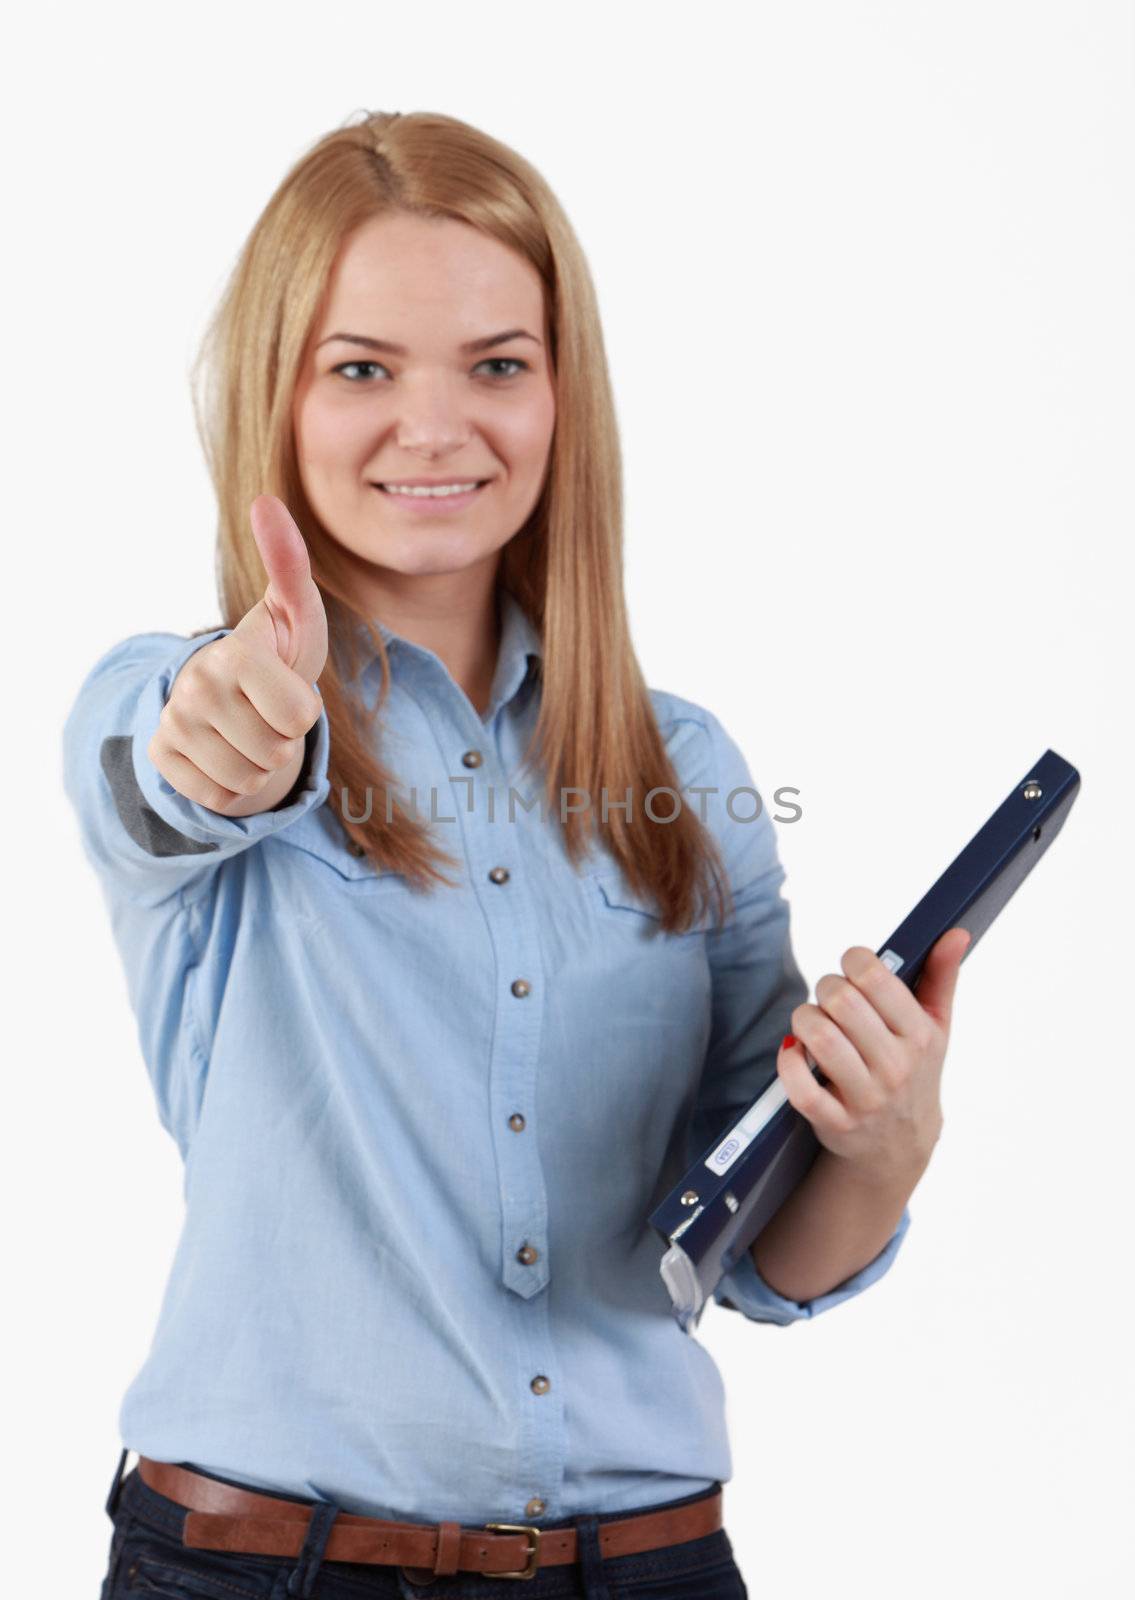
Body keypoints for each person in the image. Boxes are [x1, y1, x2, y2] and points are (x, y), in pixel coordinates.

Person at [64, 109, 968, 1600]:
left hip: (648, 1563)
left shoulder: (686, 773)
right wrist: (227, 726)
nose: (437, 427)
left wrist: (884, 1146)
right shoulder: (177, 699)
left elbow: (754, 1254)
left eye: (497, 364)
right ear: (278, 399)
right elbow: (168, 770)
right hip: (261, 1568)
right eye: (361, 368)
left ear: (562, 397)